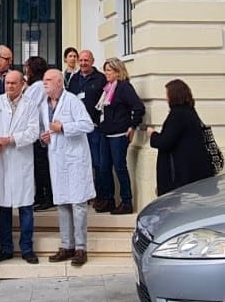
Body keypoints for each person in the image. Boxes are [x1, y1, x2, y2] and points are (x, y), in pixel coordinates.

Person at [0, 69, 40, 264]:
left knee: (25, 207)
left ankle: (27, 248)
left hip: (21, 158)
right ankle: (6, 248)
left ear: (22, 84)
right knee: (4, 206)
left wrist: (10, 140)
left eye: (13, 83)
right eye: (7, 83)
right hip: (1, 160)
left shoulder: (30, 105)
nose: (9, 86)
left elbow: (33, 132)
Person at [41, 69, 95, 267]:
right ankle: (66, 245)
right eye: (43, 80)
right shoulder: (44, 105)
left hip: (75, 159)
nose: (44, 83)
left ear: (58, 82)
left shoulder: (72, 100)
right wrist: (46, 136)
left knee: (78, 204)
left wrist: (63, 127)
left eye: (48, 80)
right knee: (62, 203)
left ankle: (81, 248)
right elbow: (49, 130)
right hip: (57, 159)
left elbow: (88, 125)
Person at [145, 79, 214, 195]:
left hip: (179, 173)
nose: (166, 98)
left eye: (167, 95)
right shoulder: (190, 111)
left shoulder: (177, 115)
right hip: (192, 169)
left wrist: (152, 134)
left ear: (174, 96)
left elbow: (165, 142)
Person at [95, 57, 145, 215]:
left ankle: (126, 201)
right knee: (104, 168)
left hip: (118, 134)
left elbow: (138, 107)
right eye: (105, 70)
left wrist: (133, 126)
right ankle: (109, 199)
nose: (106, 73)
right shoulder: (108, 88)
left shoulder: (124, 87)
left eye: (109, 70)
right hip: (105, 132)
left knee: (119, 167)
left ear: (118, 72)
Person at [68, 50, 106, 204]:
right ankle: (82, 194)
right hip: (77, 129)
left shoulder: (101, 78)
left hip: (94, 128)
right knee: (79, 162)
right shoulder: (74, 79)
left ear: (92, 61)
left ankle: (99, 195)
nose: (83, 63)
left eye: (86, 60)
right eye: (81, 60)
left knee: (97, 162)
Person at [23, 56, 52, 211]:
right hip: (37, 132)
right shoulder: (35, 86)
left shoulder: (38, 86)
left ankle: (47, 197)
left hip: (39, 133)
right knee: (38, 166)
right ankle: (40, 196)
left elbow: (27, 105)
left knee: (41, 166)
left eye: (27, 67)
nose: (25, 70)